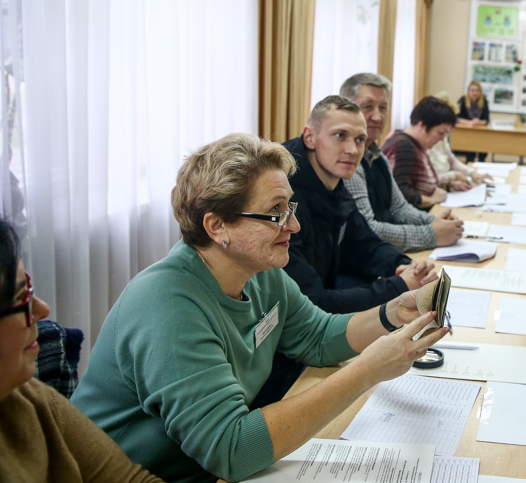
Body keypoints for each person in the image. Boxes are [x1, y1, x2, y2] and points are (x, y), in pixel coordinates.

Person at [73, 133, 448, 483]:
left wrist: (390, 313)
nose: (295, 225)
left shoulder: (259, 272)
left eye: (290, 207)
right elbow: (231, 449)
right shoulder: (166, 305)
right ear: (217, 226)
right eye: (276, 212)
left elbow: (317, 336)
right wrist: (367, 371)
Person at [255, 95, 438, 406]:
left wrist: (402, 265)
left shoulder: (331, 178)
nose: (353, 150)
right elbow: (315, 302)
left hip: (306, 333)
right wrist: (399, 286)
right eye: (340, 136)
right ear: (309, 137)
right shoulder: (284, 196)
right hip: (278, 355)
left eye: (360, 139)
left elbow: (362, 240)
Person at [0, 220, 165, 483]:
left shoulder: (28, 396)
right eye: (20, 298)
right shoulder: (166, 297)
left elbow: (129, 479)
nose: (42, 309)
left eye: (28, 287)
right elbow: (229, 445)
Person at [341, 73, 464, 252]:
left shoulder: (377, 156)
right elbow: (368, 230)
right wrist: (432, 233)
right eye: (368, 107)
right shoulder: (346, 158)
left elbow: (399, 207)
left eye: (383, 108)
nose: (377, 117)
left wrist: (435, 221)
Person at [381, 96, 457, 210]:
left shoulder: (414, 144)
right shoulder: (404, 147)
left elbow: (420, 183)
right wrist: (432, 200)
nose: (442, 139)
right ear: (421, 125)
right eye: (440, 133)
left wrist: (449, 186)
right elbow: (400, 194)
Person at [428, 92, 494, 190]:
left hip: (444, 187)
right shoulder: (426, 142)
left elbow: (451, 160)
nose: (446, 133)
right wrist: (452, 177)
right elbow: (427, 180)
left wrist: (472, 173)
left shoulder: (442, 138)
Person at [456, 80, 490, 162]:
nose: (475, 93)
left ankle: (481, 165)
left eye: (477, 90)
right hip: (466, 133)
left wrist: (478, 122)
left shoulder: (484, 101)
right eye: (472, 90)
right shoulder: (463, 100)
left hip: (480, 133)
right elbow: (456, 118)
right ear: (468, 91)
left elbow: (486, 120)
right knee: (470, 153)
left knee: (483, 150)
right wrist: (469, 122)